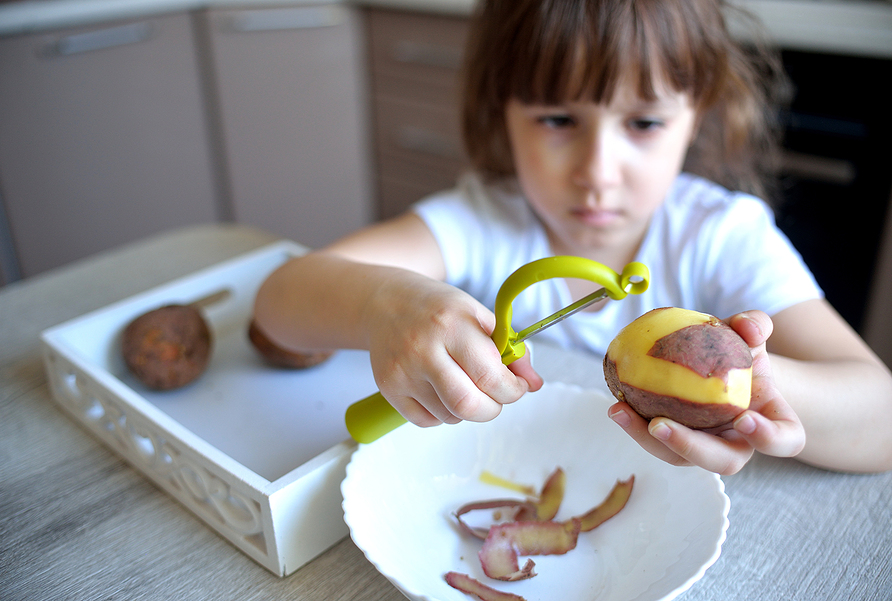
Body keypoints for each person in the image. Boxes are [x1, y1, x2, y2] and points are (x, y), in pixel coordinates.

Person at [254, 0, 892, 474]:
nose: (597, 172)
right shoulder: (479, 221)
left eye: (643, 122)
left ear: (695, 115)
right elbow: (278, 301)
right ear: (502, 111)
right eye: (558, 119)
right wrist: (380, 308)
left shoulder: (719, 236)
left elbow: (882, 420)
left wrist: (751, 383)